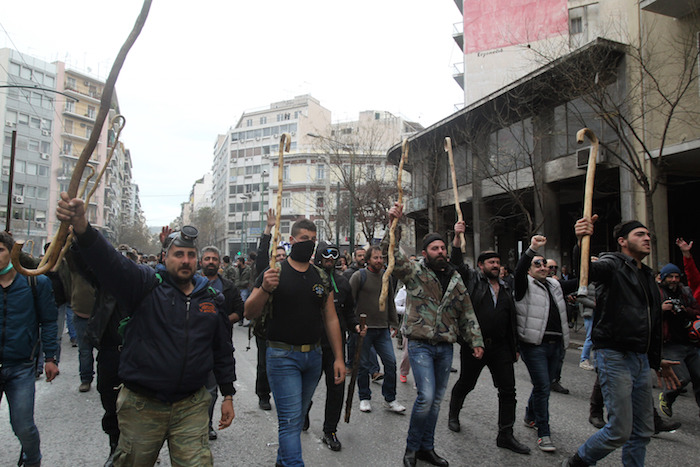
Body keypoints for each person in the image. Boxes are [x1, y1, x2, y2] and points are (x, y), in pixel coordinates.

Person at [57, 193, 235, 467]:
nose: (185, 260)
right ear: (165, 257)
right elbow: (110, 263)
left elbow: (222, 350)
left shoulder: (211, 298)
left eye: (191, 255)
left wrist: (228, 395)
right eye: (179, 254)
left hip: (191, 405)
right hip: (142, 405)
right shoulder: (145, 284)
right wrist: (82, 228)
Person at [564, 217, 680, 467]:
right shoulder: (612, 264)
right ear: (622, 241)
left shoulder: (647, 275)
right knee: (619, 430)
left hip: (639, 359)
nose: (647, 238)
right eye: (639, 234)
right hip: (615, 355)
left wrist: (656, 359)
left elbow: (649, 321)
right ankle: (578, 462)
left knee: (642, 431)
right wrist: (580, 241)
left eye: (648, 234)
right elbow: (586, 272)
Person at [386, 203, 484, 467]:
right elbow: (392, 255)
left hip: (445, 346)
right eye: (435, 248)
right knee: (426, 397)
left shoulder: (454, 277)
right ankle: (411, 448)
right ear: (424, 252)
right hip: (419, 344)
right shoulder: (414, 272)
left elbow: (466, 311)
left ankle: (426, 448)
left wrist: (476, 341)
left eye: (442, 248)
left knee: (437, 401)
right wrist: (392, 224)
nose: (440, 252)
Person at [244, 218, 345, 467]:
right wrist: (265, 288)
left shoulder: (321, 276)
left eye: (312, 240)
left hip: (313, 357)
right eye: (304, 240)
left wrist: (339, 358)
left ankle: (283, 462)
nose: (309, 244)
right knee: (290, 422)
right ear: (291, 241)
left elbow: (331, 319)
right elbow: (249, 312)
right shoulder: (274, 272)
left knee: (296, 418)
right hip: (281, 356)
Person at [447, 222, 530, 455]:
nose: (496, 266)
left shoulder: (506, 287)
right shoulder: (471, 280)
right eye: (491, 262)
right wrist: (457, 236)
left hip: (501, 348)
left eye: (498, 262)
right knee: (466, 383)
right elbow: (455, 264)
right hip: (475, 346)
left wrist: (514, 347)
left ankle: (506, 434)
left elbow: (510, 320)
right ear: (480, 266)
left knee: (508, 391)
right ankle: (453, 415)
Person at [0, 231, 59, 467]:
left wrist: (50, 358)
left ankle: (32, 460)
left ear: (13, 253)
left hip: (21, 366)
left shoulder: (36, 282)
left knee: (23, 426)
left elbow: (49, 321)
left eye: (0, 250)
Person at [514, 236, 576, 453]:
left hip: (556, 344)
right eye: (537, 264)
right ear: (530, 269)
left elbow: (580, 280)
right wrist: (532, 249)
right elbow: (519, 269)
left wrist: (579, 245)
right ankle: (544, 432)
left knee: (544, 384)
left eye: (545, 264)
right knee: (542, 387)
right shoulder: (523, 285)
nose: (542, 267)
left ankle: (530, 415)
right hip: (534, 345)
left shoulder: (555, 285)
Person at [309, 242, 360, 451]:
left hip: (335, 348)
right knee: (306, 388)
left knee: (336, 389)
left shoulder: (343, 283)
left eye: (333, 256)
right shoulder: (309, 280)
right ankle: (303, 412)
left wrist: (355, 326)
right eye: (326, 256)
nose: (330, 259)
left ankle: (330, 430)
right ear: (319, 256)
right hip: (311, 345)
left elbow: (349, 312)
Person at [350, 245, 405, 414]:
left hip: (382, 329)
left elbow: (390, 302)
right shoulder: (359, 276)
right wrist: (353, 324)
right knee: (363, 365)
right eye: (376, 258)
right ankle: (364, 397)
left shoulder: (386, 277)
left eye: (381, 257)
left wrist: (394, 323)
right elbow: (350, 301)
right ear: (368, 260)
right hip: (364, 329)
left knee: (391, 362)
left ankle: (390, 398)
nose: (380, 260)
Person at [200, 245, 243, 441]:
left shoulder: (228, 287)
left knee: (211, 390)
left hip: (218, 346)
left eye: (214, 259)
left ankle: (206, 424)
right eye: (207, 258)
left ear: (219, 263)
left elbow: (239, 311)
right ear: (201, 262)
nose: (210, 262)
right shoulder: (192, 283)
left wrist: (221, 322)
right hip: (194, 345)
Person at [251, 208, 286, 411]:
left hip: (284, 327)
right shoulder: (266, 271)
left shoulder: (291, 273)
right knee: (264, 364)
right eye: (277, 255)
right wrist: (269, 228)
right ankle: (263, 395)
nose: (280, 258)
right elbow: (262, 254)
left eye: (283, 255)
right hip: (265, 327)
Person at [657, 263, 700, 420]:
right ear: (663, 278)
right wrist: (661, 309)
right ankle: (667, 398)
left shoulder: (685, 292)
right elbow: (646, 314)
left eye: (676, 276)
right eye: (670, 277)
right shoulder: (657, 293)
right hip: (670, 343)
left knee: (699, 377)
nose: (674, 280)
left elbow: (697, 311)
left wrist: (684, 309)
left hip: (690, 341)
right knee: (682, 378)